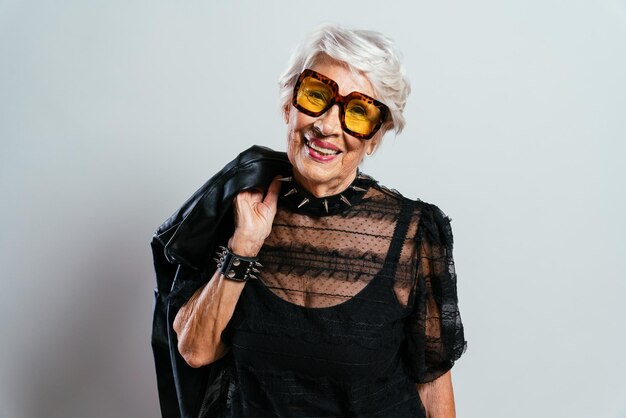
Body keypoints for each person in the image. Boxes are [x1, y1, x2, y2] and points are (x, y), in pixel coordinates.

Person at [158, 24, 466, 417]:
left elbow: (433, 385)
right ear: (289, 104)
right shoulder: (239, 209)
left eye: (357, 112)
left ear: (374, 136)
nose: (326, 126)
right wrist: (245, 246)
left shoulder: (412, 233)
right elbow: (196, 350)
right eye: (316, 95)